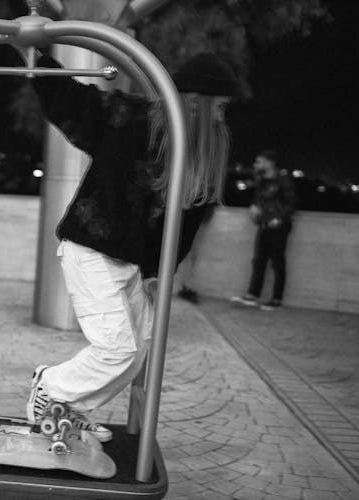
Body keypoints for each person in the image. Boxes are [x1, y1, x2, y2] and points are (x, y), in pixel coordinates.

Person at [26, 51, 236, 442]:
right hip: (90, 248)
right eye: (220, 107)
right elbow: (70, 99)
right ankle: (51, 386)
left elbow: (185, 225)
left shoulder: (205, 154)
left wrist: (159, 272)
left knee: (139, 351)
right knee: (117, 348)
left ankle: (70, 407)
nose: (224, 118)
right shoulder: (130, 119)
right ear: (194, 103)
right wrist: (37, 50)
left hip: (132, 263)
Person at [231, 150, 296, 310]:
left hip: (279, 227)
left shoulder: (282, 180)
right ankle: (252, 295)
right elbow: (258, 200)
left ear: (270, 163)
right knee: (259, 260)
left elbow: (292, 202)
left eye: (259, 161)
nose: (256, 165)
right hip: (264, 225)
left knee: (277, 262)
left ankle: (276, 300)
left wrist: (279, 219)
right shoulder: (261, 181)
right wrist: (254, 209)